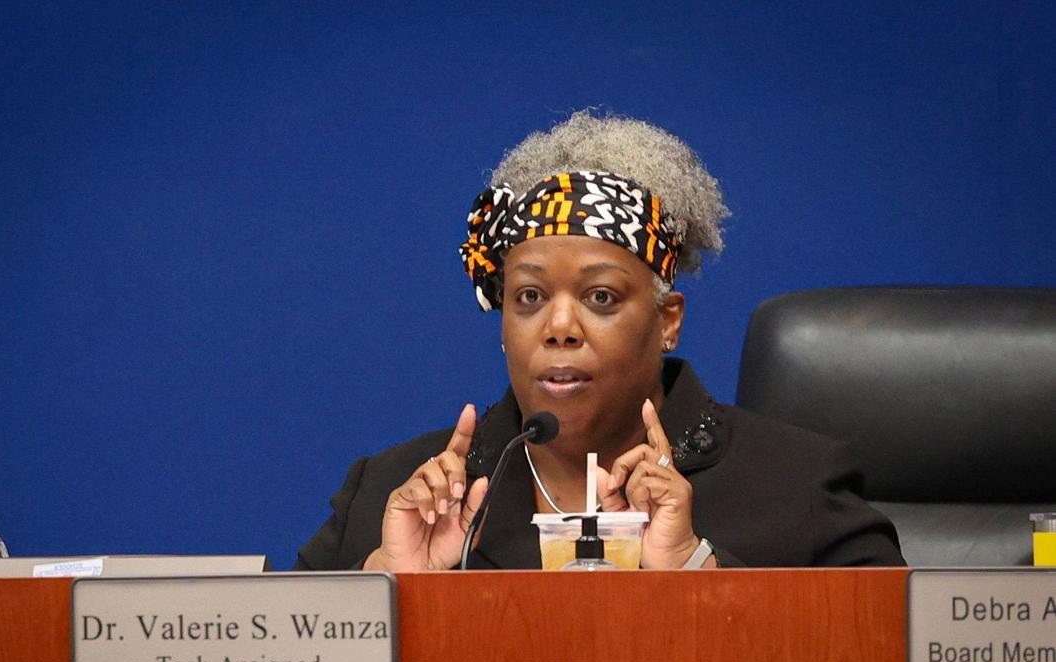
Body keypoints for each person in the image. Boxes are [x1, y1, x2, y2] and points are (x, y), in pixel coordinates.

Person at [297, 111, 905, 571]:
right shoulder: (391, 495)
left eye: (601, 298)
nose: (559, 327)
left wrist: (696, 568)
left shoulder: (793, 487)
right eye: (529, 297)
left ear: (667, 320)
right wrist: (387, 593)